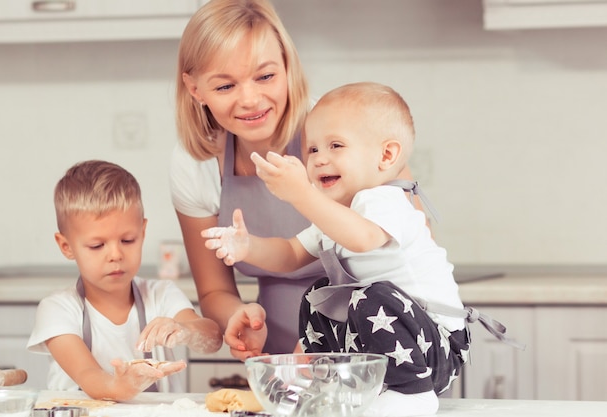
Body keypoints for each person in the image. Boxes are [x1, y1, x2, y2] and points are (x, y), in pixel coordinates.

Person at [170, 0, 424, 360]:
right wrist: (238, 317)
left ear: (288, 66)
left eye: (266, 76)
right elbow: (213, 291)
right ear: (195, 89)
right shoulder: (195, 163)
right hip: (278, 349)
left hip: (380, 340)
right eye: (225, 86)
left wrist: (324, 340)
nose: (250, 99)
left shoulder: (345, 135)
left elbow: (408, 245)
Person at [202, 82, 470, 416]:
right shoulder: (338, 216)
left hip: (437, 348)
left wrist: (302, 194)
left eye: (336, 145)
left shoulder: (385, 200)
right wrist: (248, 246)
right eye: (312, 149)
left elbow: (363, 239)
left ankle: (412, 394)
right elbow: (289, 255)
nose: (319, 159)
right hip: (390, 346)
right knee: (319, 294)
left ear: (386, 156)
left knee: (368, 296)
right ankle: (311, 380)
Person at [27, 160, 222, 401]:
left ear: (142, 232)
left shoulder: (162, 295)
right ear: (66, 246)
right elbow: (89, 376)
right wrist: (122, 385)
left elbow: (211, 339)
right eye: (97, 246)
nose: (116, 255)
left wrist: (185, 330)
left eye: (128, 240)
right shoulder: (58, 310)